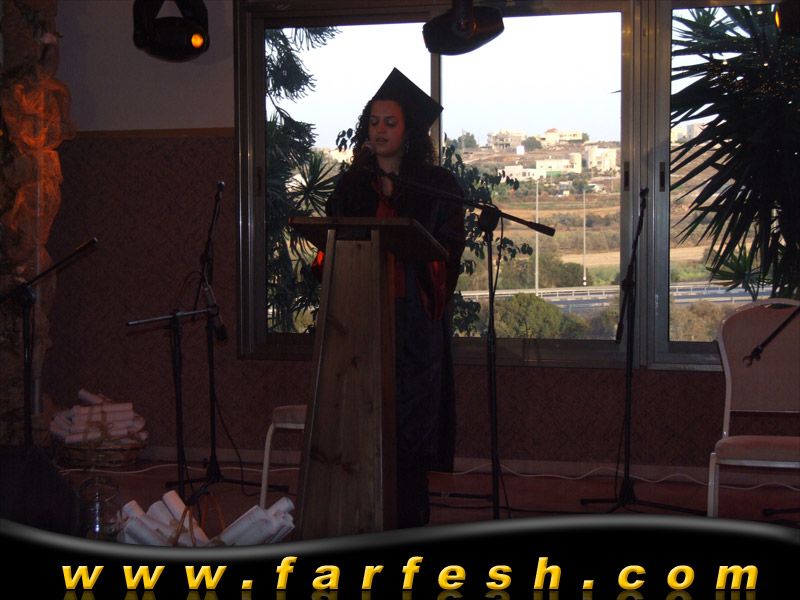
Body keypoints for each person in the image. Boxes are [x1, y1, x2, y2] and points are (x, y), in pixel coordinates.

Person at [322, 68, 466, 528]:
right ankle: (359, 516)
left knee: (410, 426)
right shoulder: (352, 186)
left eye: (390, 122)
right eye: (374, 122)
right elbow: (332, 241)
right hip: (361, 318)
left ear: (409, 133)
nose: (380, 130)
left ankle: (409, 522)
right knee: (362, 418)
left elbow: (447, 250)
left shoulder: (437, 185)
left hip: (413, 323)